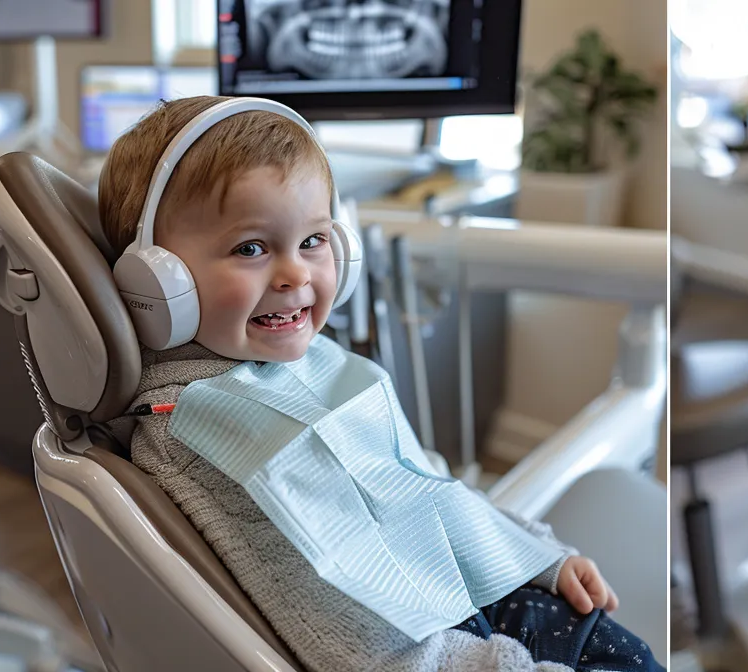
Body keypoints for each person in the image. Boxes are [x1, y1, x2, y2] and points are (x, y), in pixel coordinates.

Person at [97, 95, 663, 672]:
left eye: (314, 240)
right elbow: (351, 638)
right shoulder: (198, 436)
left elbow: (425, 486)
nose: (296, 274)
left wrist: (534, 555)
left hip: (478, 596)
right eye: (251, 248)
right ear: (158, 284)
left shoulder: (296, 363)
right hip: (456, 648)